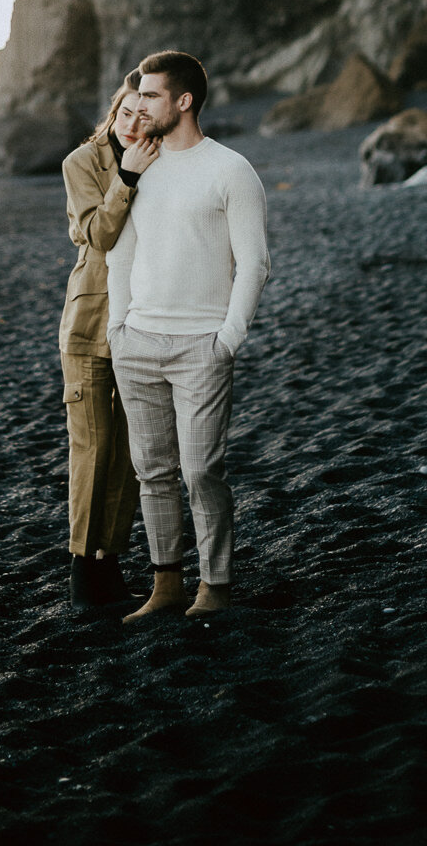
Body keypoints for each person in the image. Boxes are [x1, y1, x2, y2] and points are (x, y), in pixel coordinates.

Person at [108, 49, 269, 623]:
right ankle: (166, 585)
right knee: (152, 472)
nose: (139, 105)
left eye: (151, 95)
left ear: (184, 101)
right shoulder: (137, 165)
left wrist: (228, 338)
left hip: (202, 345)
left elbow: (254, 263)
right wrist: (118, 327)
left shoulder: (230, 170)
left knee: (201, 471)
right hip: (138, 343)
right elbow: (120, 253)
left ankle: (216, 584)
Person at [60, 72, 159, 609]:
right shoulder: (81, 164)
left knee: (124, 452)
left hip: (138, 321)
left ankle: (110, 566)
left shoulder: (158, 160)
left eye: (143, 118)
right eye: (125, 113)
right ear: (114, 109)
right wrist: (127, 175)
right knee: (93, 448)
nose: (131, 124)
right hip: (88, 325)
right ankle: (82, 572)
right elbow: (98, 233)